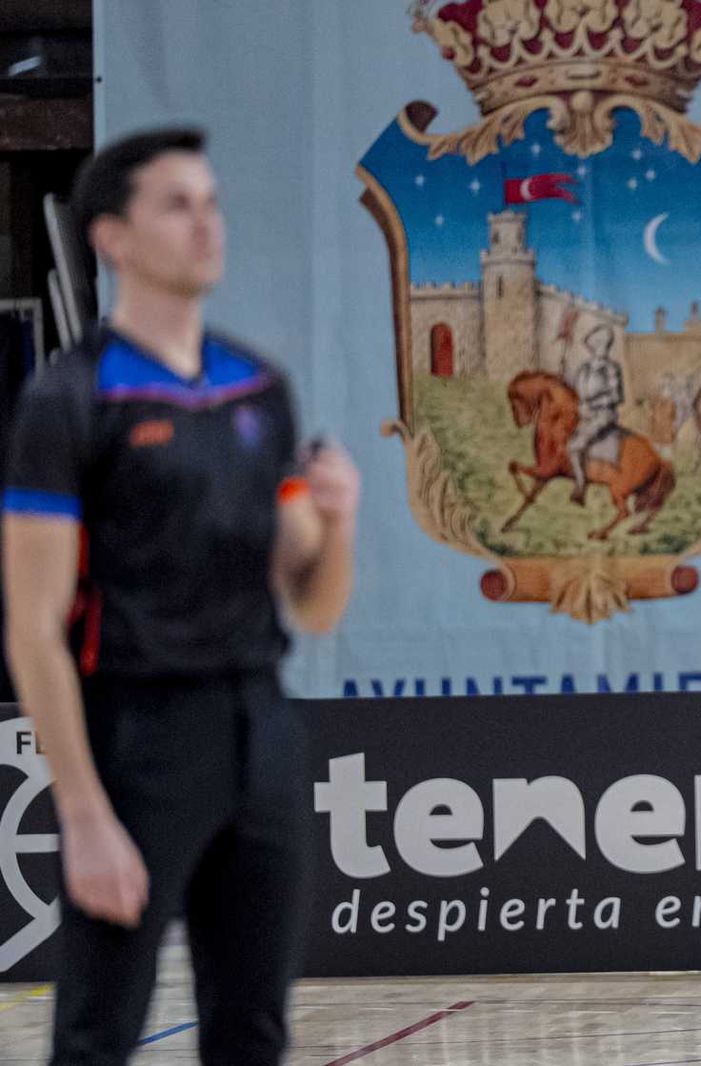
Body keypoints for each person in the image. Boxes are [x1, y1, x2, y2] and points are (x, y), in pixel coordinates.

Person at [2, 127, 360, 1064]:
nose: (206, 224)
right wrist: (82, 816)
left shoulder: (259, 389)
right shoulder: (69, 401)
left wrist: (342, 522)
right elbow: (33, 629)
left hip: (262, 728)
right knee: (98, 1032)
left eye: (211, 203)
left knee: (253, 1029)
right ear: (112, 239)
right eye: (177, 204)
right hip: (138, 737)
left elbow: (313, 605)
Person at [567, 324, 624, 503]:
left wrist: (591, 405)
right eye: (595, 344)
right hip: (583, 412)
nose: (597, 348)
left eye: (599, 344)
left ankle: (581, 485)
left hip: (603, 415)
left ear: (605, 345)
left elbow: (616, 396)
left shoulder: (611, 368)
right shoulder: (584, 368)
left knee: (574, 446)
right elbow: (575, 391)